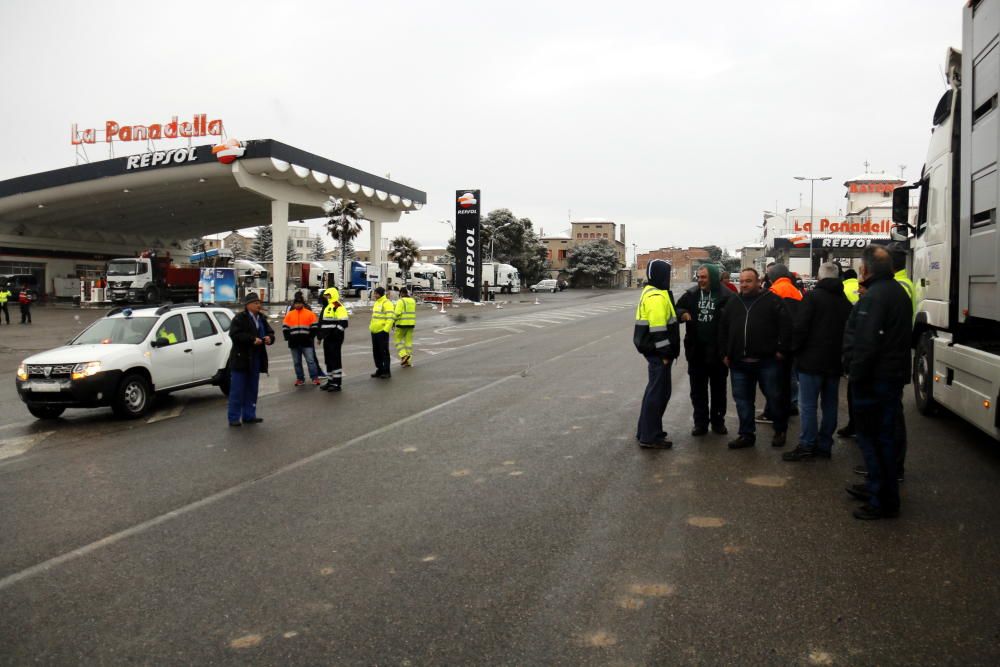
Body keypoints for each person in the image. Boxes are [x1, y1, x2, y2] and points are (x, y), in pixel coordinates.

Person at [842, 246, 912, 520]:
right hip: (890, 376)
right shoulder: (897, 292)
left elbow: (866, 342)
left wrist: (854, 374)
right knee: (885, 437)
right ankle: (879, 488)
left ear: (867, 269)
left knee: (873, 440)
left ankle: (881, 499)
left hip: (873, 381)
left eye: (862, 266)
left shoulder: (874, 298)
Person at [783, 262, 853, 461]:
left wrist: (794, 350)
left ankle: (807, 444)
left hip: (810, 362)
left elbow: (800, 327)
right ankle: (824, 445)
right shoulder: (845, 301)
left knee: (808, 406)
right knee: (830, 405)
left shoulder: (812, 298)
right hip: (834, 363)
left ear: (819, 278)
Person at [718, 267, 791, 449]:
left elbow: (787, 327)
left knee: (774, 397)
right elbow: (723, 330)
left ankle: (780, 430)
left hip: (767, 362)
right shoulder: (733, 302)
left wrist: (781, 350)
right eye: (741, 281)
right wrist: (724, 353)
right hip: (739, 363)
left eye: (748, 281)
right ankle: (746, 434)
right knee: (743, 401)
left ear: (758, 282)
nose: (744, 284)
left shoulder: (772, 300)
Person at [676, 264, 732, 436]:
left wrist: (729, 352)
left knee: (718, 390)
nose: (700, 280)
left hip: (718, 352)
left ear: (713, 278)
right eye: (699, 277)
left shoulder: (727, 296)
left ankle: (718, 422)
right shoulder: (691, 294)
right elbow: (676, 308)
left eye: (704, 277)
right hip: (696, 351)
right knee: (697, 391)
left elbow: (734, 324)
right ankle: (700, 423)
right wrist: (683, 313)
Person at [633, 259, 681, 449]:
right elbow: (658, 329)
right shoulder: (656, 297)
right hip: (658, 353)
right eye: (667, 274)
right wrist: (665, 353)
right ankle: (650, 436)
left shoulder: (653, 293)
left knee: (654, 392)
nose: (669, 278)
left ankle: (645, 431)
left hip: (654, 352)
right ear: (660, 275)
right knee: (658, 394)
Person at [227, 292, 274, 427]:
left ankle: (249, 415)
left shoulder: (261, 318)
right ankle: (234, 417)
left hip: (256, 358)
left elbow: (270, 332)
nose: (259, 305)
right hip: (241, 358)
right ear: (248, 305)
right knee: (237, 390)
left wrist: (269, 338)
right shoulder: (239, 318)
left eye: (259, 303)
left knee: (252, 389)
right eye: (256, 303)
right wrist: (252, 340)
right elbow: (235, 335)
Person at [282, 292, 322, 386]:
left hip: (306, 342)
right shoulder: (290, 314)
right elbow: (285, 327)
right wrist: (288, 338)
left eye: (299, 303)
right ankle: (300, 379)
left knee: (311, 361)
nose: (298, 305)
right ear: (294, 304)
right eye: (296, 303)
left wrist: (310, 337)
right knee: (297, 362)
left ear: (303, 304)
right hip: (294, 343)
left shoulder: (309, 314)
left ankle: (314, 378)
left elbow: (314, 327)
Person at [318, 287, 349, 391]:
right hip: (328, 338)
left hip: (335, 338)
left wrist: (336, 333)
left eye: (328, 295)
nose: (326, 297)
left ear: (332, 295)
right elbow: (324, 323)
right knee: (328, 360)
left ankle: (336, 383)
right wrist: (321, 336)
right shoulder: (328, 306)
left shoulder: (337, 305)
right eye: (325, 295)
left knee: (335, 360)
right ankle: (330, 381)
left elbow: (344, 322)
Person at [369, 286, 394, 378]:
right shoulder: (377, 303)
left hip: (382, 332)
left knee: (383, 352)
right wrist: (371, 327)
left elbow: (390, 317)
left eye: (376, 293)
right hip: (374, 331)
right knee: (376, 352)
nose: (374, 295)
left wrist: (385, 330)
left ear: (380, 294)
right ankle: (379, 369)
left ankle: (386, 371)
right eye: (374, 293)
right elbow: (374, 317)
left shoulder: (387, 303)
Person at [393, 286, 417, 367]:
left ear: (401, 293)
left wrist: (393, 321)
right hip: (411, 324)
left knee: (398, 340)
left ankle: (403, 355)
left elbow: (397, 313)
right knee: (408, 343)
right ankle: (408, 361)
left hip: (401, 324)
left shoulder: (401, 301)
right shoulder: (413, 301)